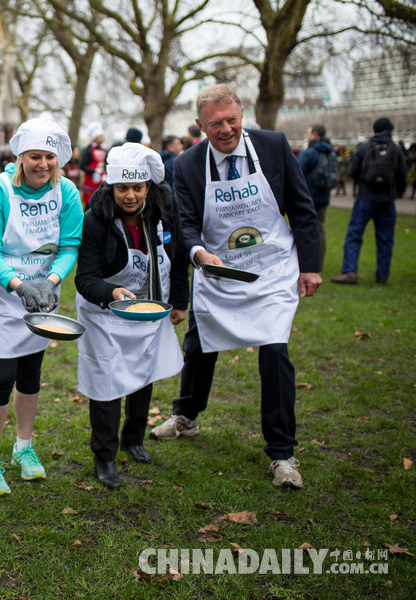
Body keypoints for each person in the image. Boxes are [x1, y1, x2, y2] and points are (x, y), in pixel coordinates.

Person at [150, 84, 321, 490]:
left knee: (275, 351)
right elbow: (186, 222)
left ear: (242, 114)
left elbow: (301, 207)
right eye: (215, 124)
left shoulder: (274, 145)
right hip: (217, 266)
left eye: (232, 120)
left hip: (273, 268)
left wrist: (310, 267)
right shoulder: (188, 163)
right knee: (199, 342)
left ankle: (282, 452)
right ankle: (186, 415)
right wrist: (198, 254)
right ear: (200, 125)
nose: (226, 129)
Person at [0, 116, 83, 497]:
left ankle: (24, 446)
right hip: (5, 301)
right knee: (1, 378)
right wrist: (19, 286)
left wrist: (51, 283)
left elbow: (70, 246)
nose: (43, 164)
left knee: (31, 375)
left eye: (49, 157)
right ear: (21, 157)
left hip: (42, 299)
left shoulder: (67, 192)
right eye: (35, 156)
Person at [74, 144, 187, 489]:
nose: (130, 196)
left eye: (137, 188)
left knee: (144, 369)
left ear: (148, 188)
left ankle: (134, 437)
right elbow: (84, 279)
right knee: (106, 379)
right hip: (104, 312)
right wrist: (111, 293)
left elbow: (178, 257)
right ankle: (104, 456)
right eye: (122, 188)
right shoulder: (95, 220)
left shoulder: (164, 213)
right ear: (111, 187)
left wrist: (179, 301)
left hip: (149, 305)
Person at [331, 118, 408, 285]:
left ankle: (350, 271)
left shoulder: (365, 147)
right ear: (390, 131)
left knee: (354, 234)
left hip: (366, 197)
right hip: (387, 199)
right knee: (385, 239)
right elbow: (403, 173)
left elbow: (353, 171)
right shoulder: (395, 149)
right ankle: (382, 276)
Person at [297, 124, 337, 272]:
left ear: (315, 134)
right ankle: (319, 262)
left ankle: (306, 262)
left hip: (308, 196)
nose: (307, 135)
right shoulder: (330, 151)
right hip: (323, 195)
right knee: (321, 228)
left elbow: (297, 171)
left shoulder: (310, 152)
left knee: (305, 229)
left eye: (308, 132)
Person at [79, 122, 107, 208]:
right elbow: (82, 166)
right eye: (100, 136)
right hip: (89, 182)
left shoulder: (103, 150)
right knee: (89, 203)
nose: (103, 138)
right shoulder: (88, 150)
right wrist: (94, 170)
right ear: (95, 138)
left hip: (99, 181)